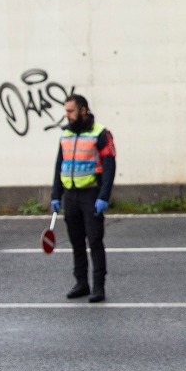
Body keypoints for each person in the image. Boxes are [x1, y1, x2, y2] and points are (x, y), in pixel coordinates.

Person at [49, 93, 116, 303]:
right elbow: (60, 165)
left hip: (91, 194)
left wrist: (104, 195)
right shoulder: (65, 135)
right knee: (76, 242)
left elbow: (109, 165)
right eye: (66, 111)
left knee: (95, 241)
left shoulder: (101, 133)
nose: (67, 115)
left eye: (71, 111)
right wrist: (55, 195)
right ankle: (81, 283)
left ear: (83, 110)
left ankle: (98, 287)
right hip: (71, 196)